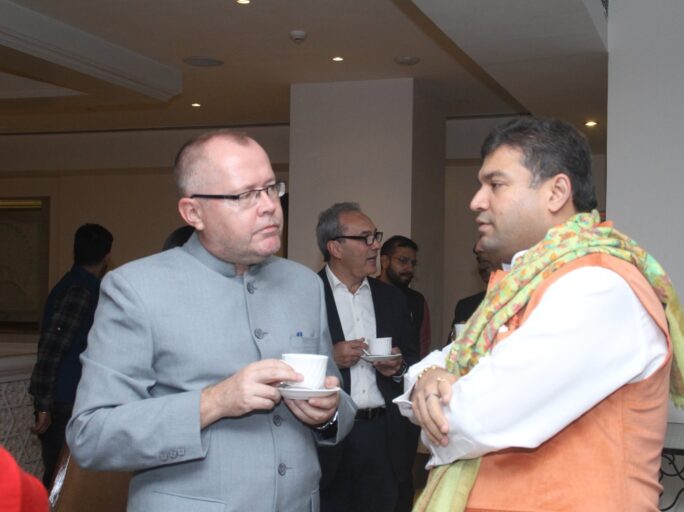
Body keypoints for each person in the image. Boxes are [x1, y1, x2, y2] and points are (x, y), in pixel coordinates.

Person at [396, 117, 684, 511]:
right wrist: (428, 377)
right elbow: (431, 373)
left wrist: (432, 389)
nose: (476, 200)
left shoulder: (598, 286)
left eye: (495, 184)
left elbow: (471, 419)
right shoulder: (520, 287)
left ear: (556, 192)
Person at [66, 130, 355, 512]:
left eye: (271, 188)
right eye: (245, 195)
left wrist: (329, 413)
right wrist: (214, 402)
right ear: (193, 213)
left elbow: (338, 400)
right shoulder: (135, 289)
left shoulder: (303, 283)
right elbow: (91, 435)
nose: (269, 206)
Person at [315, 203, 420, 512]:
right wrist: (330, 358)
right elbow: (285, 360)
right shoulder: (306, 292)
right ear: (335, 246)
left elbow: (414, 359)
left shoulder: (392, 298)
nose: (375, 245)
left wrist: (398, 367)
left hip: (384, 437)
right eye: (365, 238)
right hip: (329, 435)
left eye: (375, 237)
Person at [29, 222, 113, 490]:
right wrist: (44, 405)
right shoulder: (81, 291)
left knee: (64, 479)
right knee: (60, 482)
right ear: (106, 256)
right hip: (63, 400)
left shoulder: (71, 284)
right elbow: (52, 349)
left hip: (67, 398)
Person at [378, 235, 432, 358]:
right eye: (403, 261)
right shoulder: (367, 293)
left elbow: (423, 346)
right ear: (384, 261)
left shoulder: (417, 301)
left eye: (413, 263)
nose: (410, 269)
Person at [446, 245, 496, 344]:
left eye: (486, 260)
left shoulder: (526, 299)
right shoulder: (466, 306)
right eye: (479, 260)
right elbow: (450, 351)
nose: (482, 267)